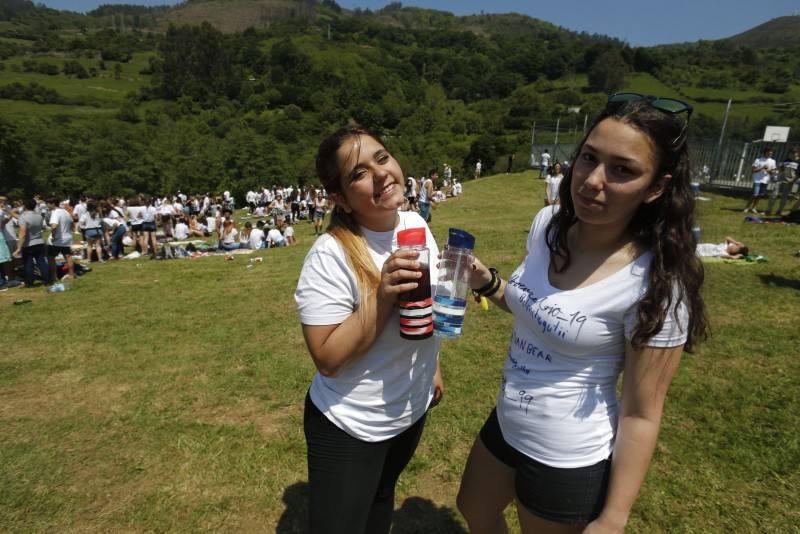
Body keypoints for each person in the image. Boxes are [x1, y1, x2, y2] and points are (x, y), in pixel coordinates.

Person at [456, 94, 707, 533]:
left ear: (656, 187)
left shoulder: (656, 286)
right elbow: (536, 310)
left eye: (622, 169)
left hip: (567, 456)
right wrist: (488, 283)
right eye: (589, 158)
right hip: (508, 420)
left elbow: (641, 414)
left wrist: (613, 517)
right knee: (474, 509)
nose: (592, 180)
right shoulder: (547, 224)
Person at [295, 126, 443, 534]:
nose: (381, 174)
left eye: (382, 158)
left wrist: (432, 367)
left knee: (381, 502)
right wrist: (381, 297)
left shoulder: (413, 222)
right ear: (339, 197)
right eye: (358, 173)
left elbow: (422, 305)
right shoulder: (330, 255)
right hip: (352, 424)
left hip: (409, 409)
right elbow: (326, 358)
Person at [12, 198, 50, 287]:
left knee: (28, 264)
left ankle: (29, 283)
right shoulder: (39, 216)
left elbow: (23, 233)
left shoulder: (23, 217)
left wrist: (18, 248)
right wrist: (11, 212)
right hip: (39, 241)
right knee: (42, 262)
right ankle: (47, 280)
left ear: (24, 206)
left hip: (28, 244)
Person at [46, 197, 74, 282]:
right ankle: (71, 275)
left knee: (50, 258)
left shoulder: (55, 213)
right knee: (68, 257)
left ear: (53, 204)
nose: (47, 205)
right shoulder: (65, 211)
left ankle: (54, 277)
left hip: (57, 239)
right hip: (67, 237)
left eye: (48, 203)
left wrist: (53, 236)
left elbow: (54, 226)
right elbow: (72, 223)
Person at [743, 147, 776, 214]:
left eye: (771, 153)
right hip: (757, 180)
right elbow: (753, 170)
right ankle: (747, 207)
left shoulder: (773, 161)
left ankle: (754, 208)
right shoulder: (758, 160)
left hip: (765, 180)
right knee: (755, 194)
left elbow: (773, 171)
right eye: (769, 152)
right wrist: (762, 168)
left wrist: (770, 171)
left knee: (760, 195)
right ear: (765, 152)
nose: (770, 153)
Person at [765, 149, 798, 216]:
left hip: (789, 182)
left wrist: (792, 180)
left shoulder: (798, 162)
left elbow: (798, 174)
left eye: (795, 153)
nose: (793, 155)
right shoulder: (785, 161)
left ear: (797, 154)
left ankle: (779, 211)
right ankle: (768, 210)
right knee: (773, 195)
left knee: (784, 197)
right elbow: (780, 169)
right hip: (780, 180)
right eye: (792, 153)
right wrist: (773, 172)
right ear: (789, 154)